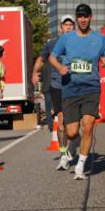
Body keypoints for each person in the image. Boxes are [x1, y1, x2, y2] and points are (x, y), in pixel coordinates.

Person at [49, 3, 105, 180]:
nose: (83, 19)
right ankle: (73, 144)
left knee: (88, 127)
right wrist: (60, 67)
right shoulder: (66, 39)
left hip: (91, 88)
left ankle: (80, 166)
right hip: (70, 88)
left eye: (86, 16)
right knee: (71, 132)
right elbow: (52, 57)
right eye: (80, 16)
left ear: (91, 17)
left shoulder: (100, 39)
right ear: (76, 18)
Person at [34, 16, 75, 169]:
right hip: (57, 86)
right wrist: (34, 73)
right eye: (66, 25)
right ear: (61, 27)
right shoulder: (52, 44)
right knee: (62, 119)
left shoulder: (79, 43)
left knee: (74, 124)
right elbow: (41, 58)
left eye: (71, 25)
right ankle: (64, 154)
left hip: (74, 86)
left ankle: (72, 145)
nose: (69, 27)